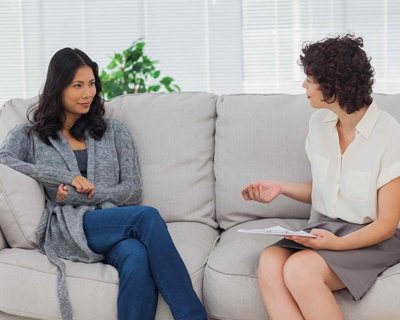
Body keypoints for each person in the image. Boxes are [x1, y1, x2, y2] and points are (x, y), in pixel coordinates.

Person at [0, 48, 208, 320]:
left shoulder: (114, 131)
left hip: (111, 222)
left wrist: (91, 193)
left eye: (92, 84)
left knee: (135, 254)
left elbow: (133, 191)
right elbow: (4, 159)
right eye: (77, 85)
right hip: (71, 228)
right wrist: (60, 177)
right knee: (147, 217)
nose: (88, 93)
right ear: (57, 88)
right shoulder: (30, 135)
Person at [241, 34, 400, 320]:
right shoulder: (319, 124)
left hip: (373, 237)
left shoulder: (389, 134)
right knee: (269, 260)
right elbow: (330, 189)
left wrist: (335, 244)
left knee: (300, 269)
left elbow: (387, 224)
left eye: (310, 79)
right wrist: (280, 187)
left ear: (333, 86)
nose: (304, 85)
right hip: (327, 226)